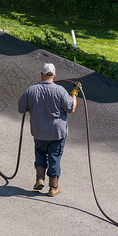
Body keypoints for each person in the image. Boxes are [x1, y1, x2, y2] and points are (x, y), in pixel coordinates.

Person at [18, 63, 81, 196]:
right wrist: (74, 93)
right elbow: (71, 108)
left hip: (39, 132)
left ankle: (40, 179)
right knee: (55, 157)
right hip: (57, 133)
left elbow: (21, 108)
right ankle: (53, 187)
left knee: (40, 153)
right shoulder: (60, 91)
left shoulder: (31, 90)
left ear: (41, 75)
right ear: (54, 76)